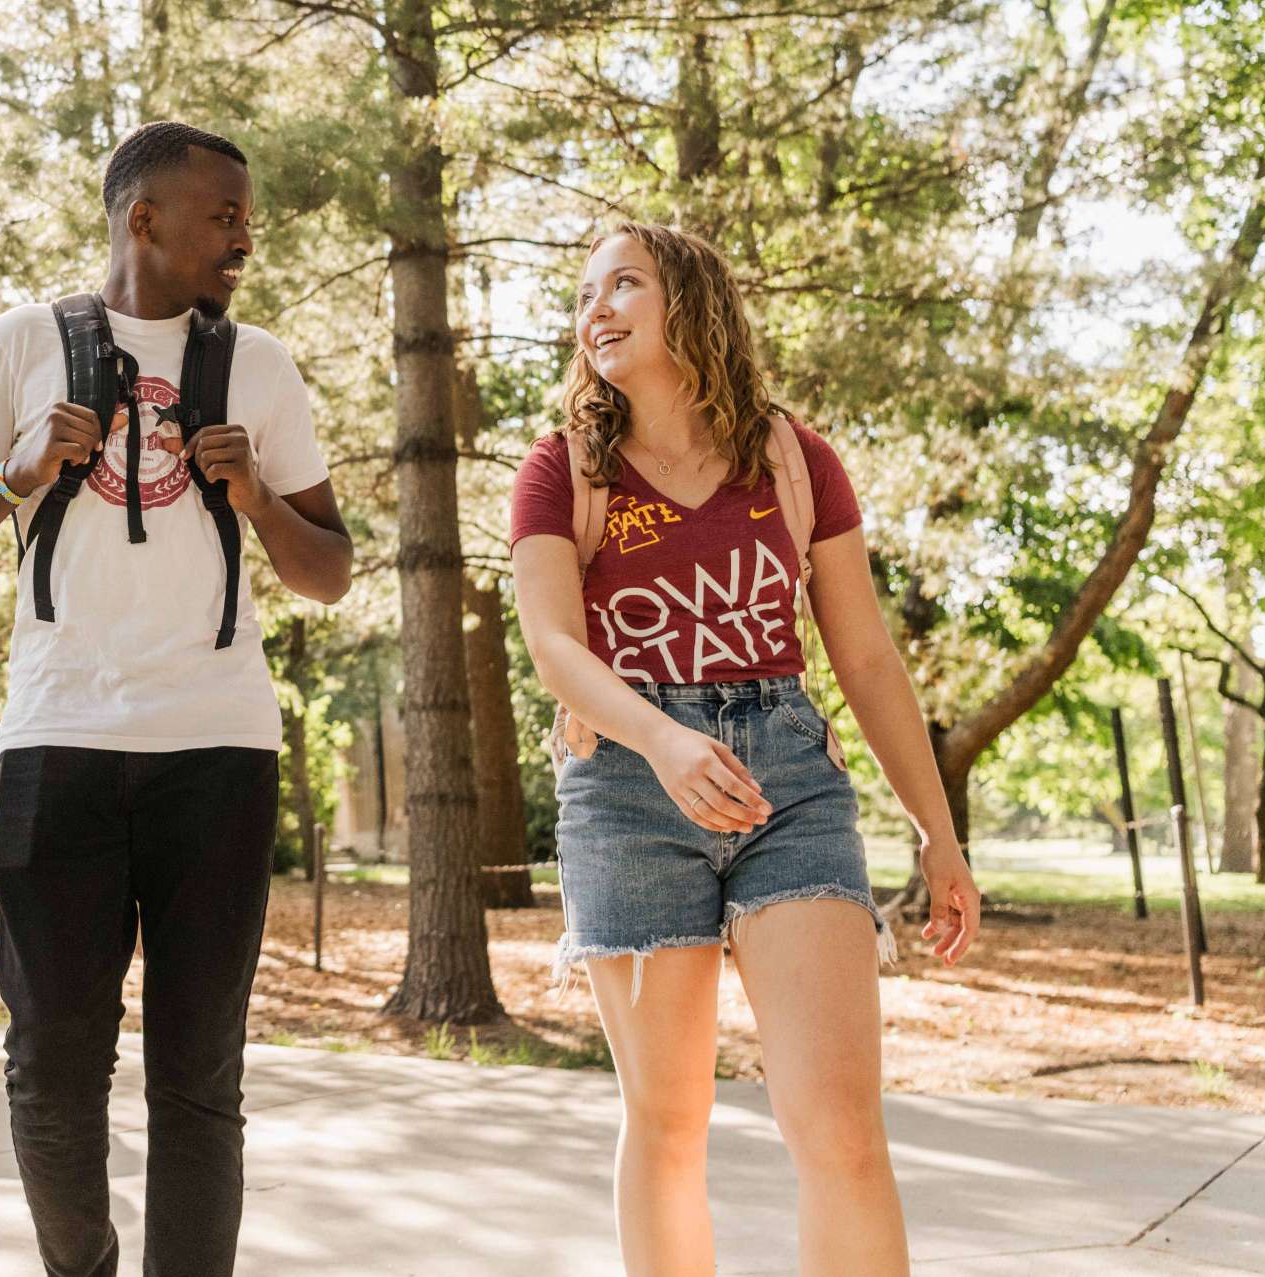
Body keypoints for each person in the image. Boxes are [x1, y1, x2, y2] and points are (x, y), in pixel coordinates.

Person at [0, 120, 352, 1276]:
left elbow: (331, 569)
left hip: (220, 747)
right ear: (145, 219)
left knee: (200, 1073)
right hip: (61, 745)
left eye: (248, 216)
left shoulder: (264, 366)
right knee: (51, 1060)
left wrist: (256, 496)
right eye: (226, 214)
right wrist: (17, 472)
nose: (247, 234)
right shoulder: (19, 344)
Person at [506, 222, 982, 1277]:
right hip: (628, 786)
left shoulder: (794, 457)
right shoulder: (562, 470)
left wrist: (937, 831)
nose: (596, 308)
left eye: (623, 282)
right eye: (585, 292)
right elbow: (553, 646)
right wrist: (662, 738)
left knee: (841, 1129)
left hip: (789, 785)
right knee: (670, 1126)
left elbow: (863, 655)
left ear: (692, 301)